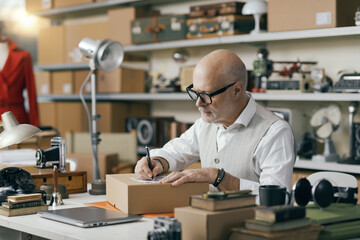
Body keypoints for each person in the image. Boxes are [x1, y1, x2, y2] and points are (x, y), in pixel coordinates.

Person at [135, 49, 295, 198]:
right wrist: (158, 161)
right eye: (196, 93)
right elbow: (177, 150)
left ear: (237, 90)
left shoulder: (275, 132)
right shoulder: (206, 123)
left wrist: (219, 178)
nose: (198, 103)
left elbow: (279, 199)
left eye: (207, 95)